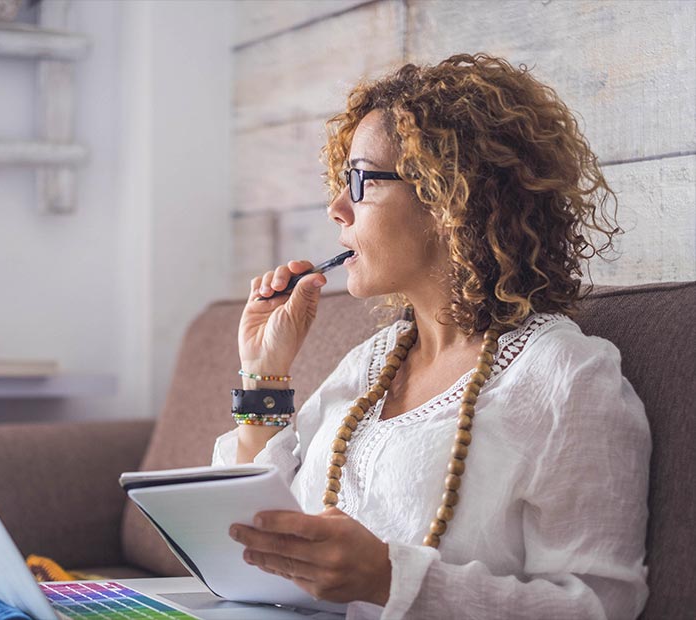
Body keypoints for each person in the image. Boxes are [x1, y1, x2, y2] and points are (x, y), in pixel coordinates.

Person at [212, 53, 650, 619]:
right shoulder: (370, 364)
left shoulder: (567, 377)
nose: (337, 208)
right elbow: (254, 539)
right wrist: (263, 373)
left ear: (449, 197)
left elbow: (601, 606)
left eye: (360, 181)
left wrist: (388, 578)